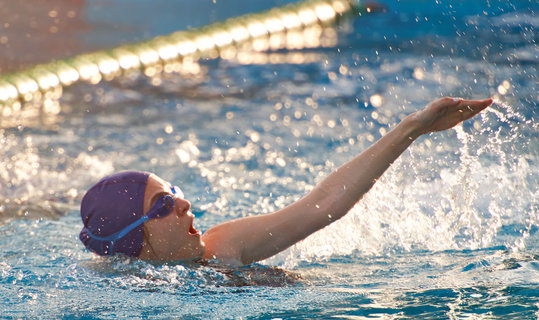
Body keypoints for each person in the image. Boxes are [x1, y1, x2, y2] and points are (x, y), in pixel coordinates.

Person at [80, 97, 493, 266]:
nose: (184, 205)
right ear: (133, 242)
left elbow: (324, 204)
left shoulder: (220, 249)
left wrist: (412, 128)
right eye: (162, 205)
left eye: (175, 194)